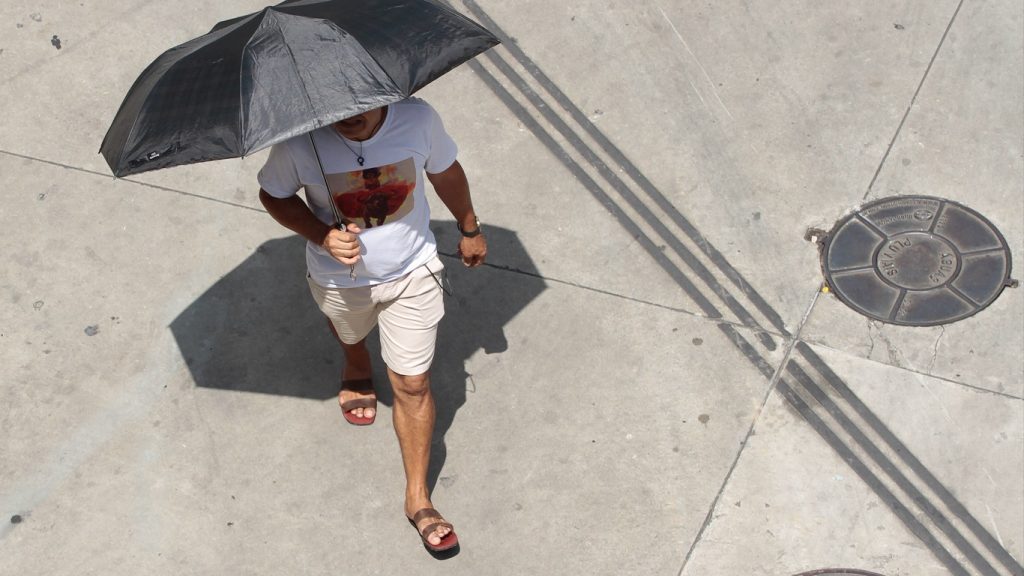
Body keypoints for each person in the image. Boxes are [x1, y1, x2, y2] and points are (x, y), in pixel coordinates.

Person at [256, 98, 486, 552]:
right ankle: (355, 360)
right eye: (333, 106)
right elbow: (273, 194)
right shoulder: (299, 143)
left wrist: (469, 226)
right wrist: (320, 234)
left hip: (415, 273)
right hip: (340, 280)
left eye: (359, 102)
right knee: (349, 333)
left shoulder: (418, 119)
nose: (348, 114)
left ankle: (418, 498)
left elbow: (445, 170)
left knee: (413, 384)